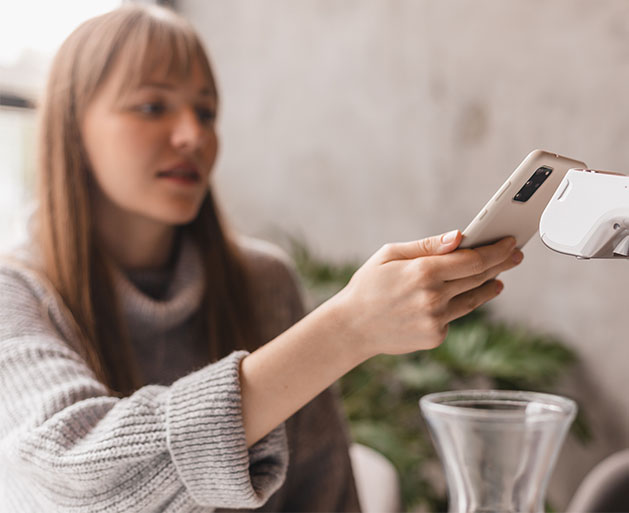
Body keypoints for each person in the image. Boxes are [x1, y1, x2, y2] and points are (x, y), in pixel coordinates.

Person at [0, 4, 523, 512]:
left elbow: (326, 494)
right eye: (152, 106)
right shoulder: (15, 292)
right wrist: (344, 330)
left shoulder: (262, 280)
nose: (193, 135)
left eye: (205, 112)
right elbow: (79, 487)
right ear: (71, 127)